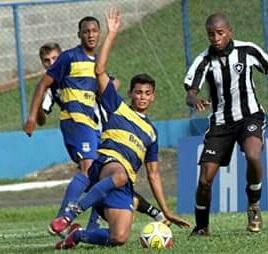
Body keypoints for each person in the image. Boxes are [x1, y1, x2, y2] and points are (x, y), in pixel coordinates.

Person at [51, 8, 191, 249]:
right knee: (119, 173)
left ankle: (78, 235)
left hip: (122, 185)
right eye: (138, 92)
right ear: (130, 93)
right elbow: (99, 70)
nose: (142, 96)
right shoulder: (117, 106)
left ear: (153, 97)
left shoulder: (151, 133)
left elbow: (154, 174)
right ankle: (69, 214)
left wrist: (166, 212)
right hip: (106, 167)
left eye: (147, 93)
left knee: (119, 237)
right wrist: (112, 34)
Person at [26, 24, 171, 231]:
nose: (52, 64)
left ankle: (93, 227)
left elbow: (111, 80)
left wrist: (106, 89)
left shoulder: (83, 65)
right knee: (90, 171)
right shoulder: (60, 79)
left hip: (99, 129)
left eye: (54, 59)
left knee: (104, 183)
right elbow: (43, 96)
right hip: (78, 123)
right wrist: (33, 115)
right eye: (47, 61)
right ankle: (65, 218)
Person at [184, 12, 267, 236]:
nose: (216, 38)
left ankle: (254, 206)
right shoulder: (204, 60)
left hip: (250, 116)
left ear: (230, 31)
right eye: (211, 34)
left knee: (252, 154)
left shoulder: (247, 50)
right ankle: (202, 227)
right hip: (220, 124)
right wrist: (195, 100)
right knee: (204, 180)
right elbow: (190, 92)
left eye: (220, 33)